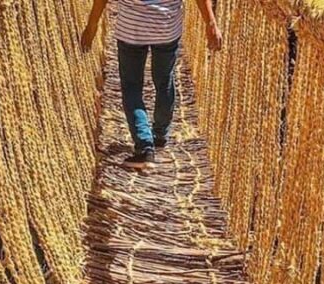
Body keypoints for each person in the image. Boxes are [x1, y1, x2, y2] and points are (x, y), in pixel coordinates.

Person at [81, 0, 222, 169]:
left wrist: (92, 24)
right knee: (164, 82)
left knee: (132, 86)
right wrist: (211, 22)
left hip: (131, 28)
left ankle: (144, 146)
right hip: (166, 27)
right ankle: (160, 135)